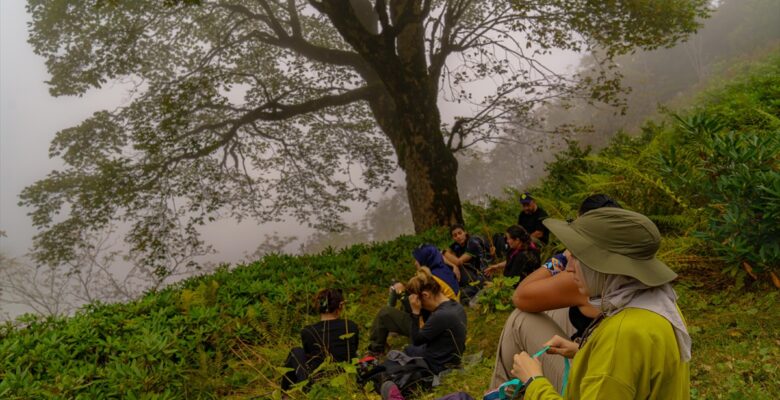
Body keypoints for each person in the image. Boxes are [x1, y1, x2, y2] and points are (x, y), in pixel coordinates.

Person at [510, 207, 691, 399]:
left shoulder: (622, 335)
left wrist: (533, 382)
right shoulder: (660, 304)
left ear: (605, 266)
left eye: (577, 258)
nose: (569, 268)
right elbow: (633, 373)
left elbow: (616, 362)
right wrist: (584, 352)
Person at [489, 194, 621, 391]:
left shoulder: (590, 274)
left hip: (593, 381)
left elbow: (520, 296)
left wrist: (561, 257)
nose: (571, 267)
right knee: (552, 311)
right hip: (602, 356)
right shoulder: (625, 267)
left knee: (520, 319)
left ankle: (500, 391)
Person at [375, 267, 468, 399]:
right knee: (401, 355)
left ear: (425, 295)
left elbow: (416, 339)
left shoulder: (441, 315)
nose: (423, 307)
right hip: (448, 357)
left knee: (386, 368)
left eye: (421, 303)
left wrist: (415, 312)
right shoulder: (455, 306)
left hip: (435, 364)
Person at [367, 244, 459, 354]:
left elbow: (419, 304)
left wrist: (401, 293)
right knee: (402, 293)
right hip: (449, 313)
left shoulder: (432, 279)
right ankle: (393, 328)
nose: (415, 263)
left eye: (417, 260)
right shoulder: (443, 269)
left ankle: (375, 349)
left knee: (384, 313)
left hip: (430, 322)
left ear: (425, 261)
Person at [281, 288, 359, 391]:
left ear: (318, 306)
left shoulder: (308, 331)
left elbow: (309, 355)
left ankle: (285, 394)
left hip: (318, 385)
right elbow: (354, 350)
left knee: (296, 352)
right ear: (340, 306)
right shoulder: (351, 325)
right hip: (347, 378)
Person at [443, 224, 486, 303]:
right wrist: (453, 266)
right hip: (468, 274)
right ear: (453, 238)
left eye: (460, 233)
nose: (458, 236)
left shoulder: (473, 242)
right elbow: (443, 257)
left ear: (465, 232)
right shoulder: (456, 245)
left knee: (458, 295)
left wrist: (443, 252)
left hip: (481, 275)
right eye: (455, 235)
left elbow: (458, 262)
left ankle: (477, 293)